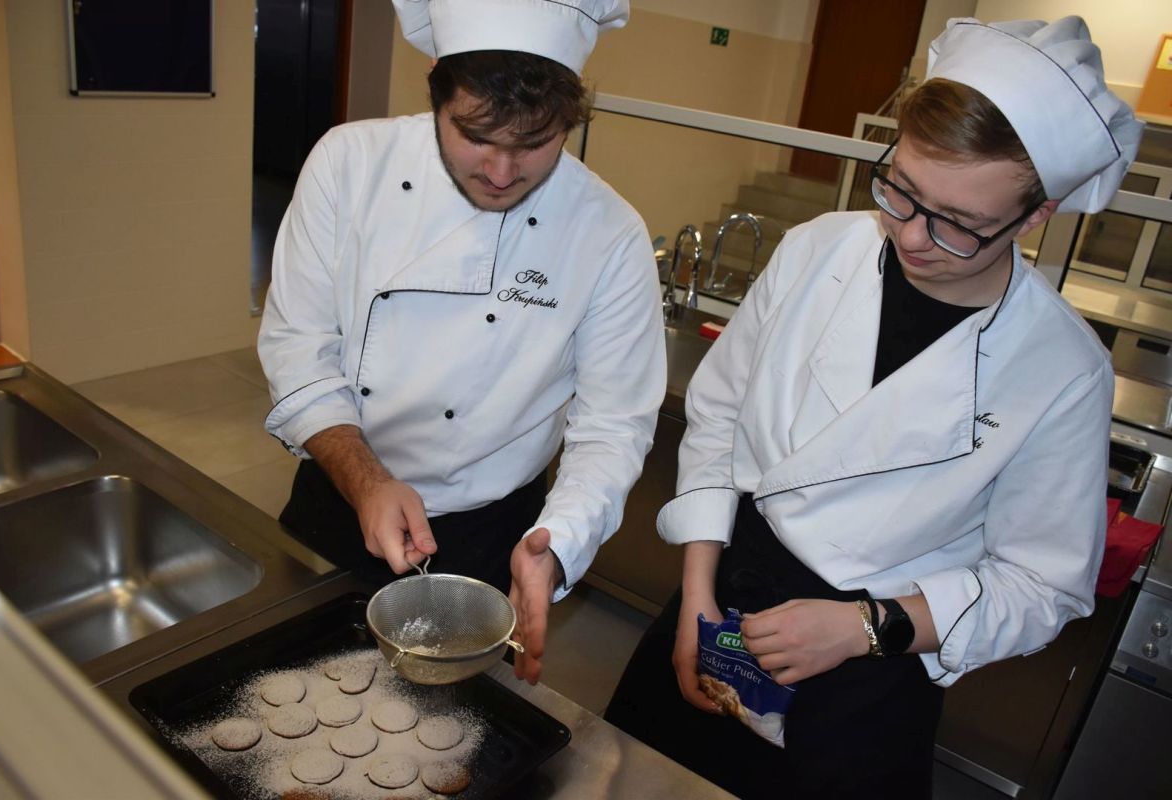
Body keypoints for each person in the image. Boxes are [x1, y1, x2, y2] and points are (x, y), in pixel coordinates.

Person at [605, 16, 1142, 799]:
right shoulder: (819, 248)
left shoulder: (1062, 368)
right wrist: (695, 597)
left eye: (959, 224)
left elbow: (1042, 585)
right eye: (902, 191)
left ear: (1036, 214)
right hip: (722, 590)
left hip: (875, 662)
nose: (913, 237)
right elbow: (719, 419)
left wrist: (867, 626)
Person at [257, 0, 665, 685]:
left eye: (534, 142)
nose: (502, 171)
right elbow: (298, 345)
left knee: (451, 728)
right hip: (340, 493)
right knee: (287, 693)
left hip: (494, 538)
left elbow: (613, 426)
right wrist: (366, 480)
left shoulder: (609, 233)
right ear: (434, 91)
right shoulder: (349, 164)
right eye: (476, 135)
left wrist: (556, 545)